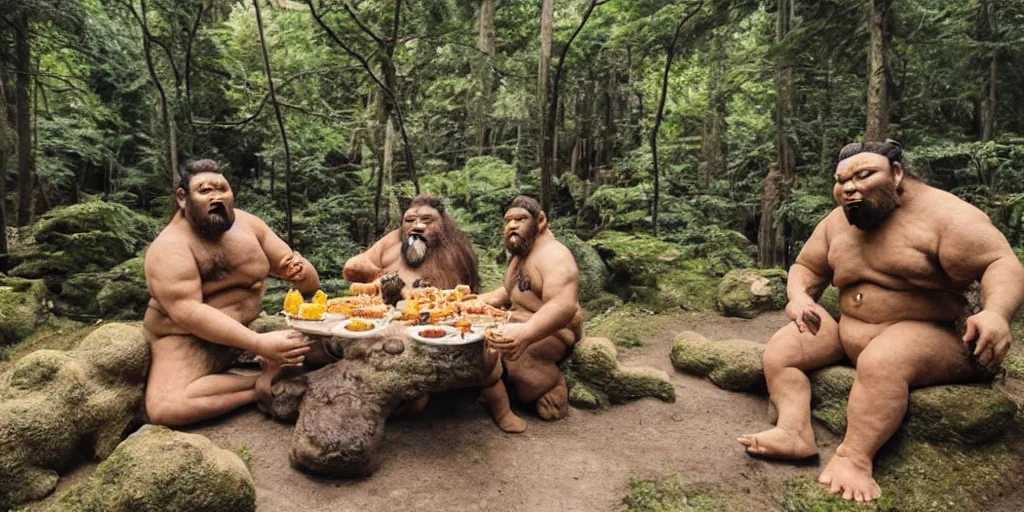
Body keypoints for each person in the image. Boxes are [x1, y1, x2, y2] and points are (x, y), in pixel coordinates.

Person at [736, 140, 1024, 502]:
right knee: (784, 347)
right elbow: (805, 267)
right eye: (841, 181)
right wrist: (799, 297)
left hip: (937, 335)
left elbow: (1000, 262)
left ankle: (855, 458)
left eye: (863, 175)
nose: (849, 187)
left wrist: (996, 313)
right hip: (850, 330)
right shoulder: (837, 222)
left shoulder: (946, 216)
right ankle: (794, 431)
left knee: (883, 359)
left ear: (897, 173)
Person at [143, 159, 321, 426]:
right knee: (166, 407)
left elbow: (309, 286)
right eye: (205, 191)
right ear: (183, 198)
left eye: (222, 189)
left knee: (331, 347)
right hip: (185, 336)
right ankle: (258, 385)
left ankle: (266, 368)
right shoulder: (169, 248)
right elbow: (189, 312)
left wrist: (301, 273)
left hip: (248, 329)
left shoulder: (250, 225)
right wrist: (260, 345)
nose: (216, 197)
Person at [480, 196, 583, 421]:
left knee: (516, 360)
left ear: (541, 220)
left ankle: (551, 384)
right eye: (508, 221)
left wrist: (526, 333)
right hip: (513, 319)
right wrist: (476, 301)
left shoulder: (555, 256)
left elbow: (563, 305)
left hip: (552, 331)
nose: (512, 225)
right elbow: (511, 292)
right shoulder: (522, 254)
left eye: (521, 219)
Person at [343, 194, 480, 293]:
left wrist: (394, 286)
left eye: (427, 220)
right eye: (410, 220)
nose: (417, 226)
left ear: (443, 225)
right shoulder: (396, 237)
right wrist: (378, 276)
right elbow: (353, 266)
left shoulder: (451, 251)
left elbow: (446, 297)